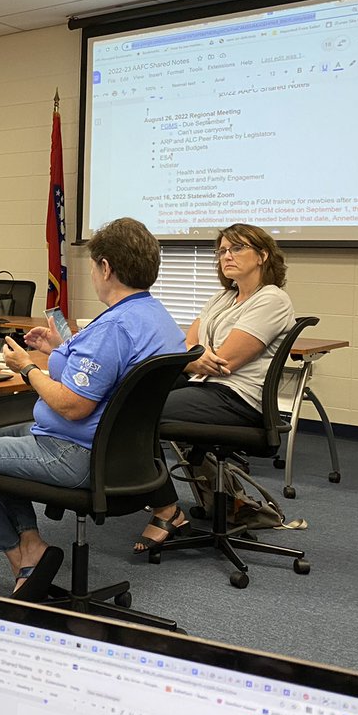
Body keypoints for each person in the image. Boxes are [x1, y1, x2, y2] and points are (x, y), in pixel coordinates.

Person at [0, 217, 185, 598]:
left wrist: (27, 369)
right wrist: (60, 348)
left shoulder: (114, 327)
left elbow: (73, 406)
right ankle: (31, 542)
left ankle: (21, 555)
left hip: (74, 453)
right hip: (126, 457)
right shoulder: (156, 317)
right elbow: (105, 373)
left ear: (106, 267)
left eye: (93, 265)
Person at [133, 223, 294, 554]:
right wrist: (193, 357)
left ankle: (166, 509)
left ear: (262, 255)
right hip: (208, 384)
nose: (226, 256)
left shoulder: (272, 299)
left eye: (236, 249)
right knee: (134, 395)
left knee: (141, 413)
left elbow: (225, 361)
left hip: (238, 398)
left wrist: (193, 356)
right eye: (222, 251)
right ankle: (153, 496)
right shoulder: (225, 297)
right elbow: (189, 340)